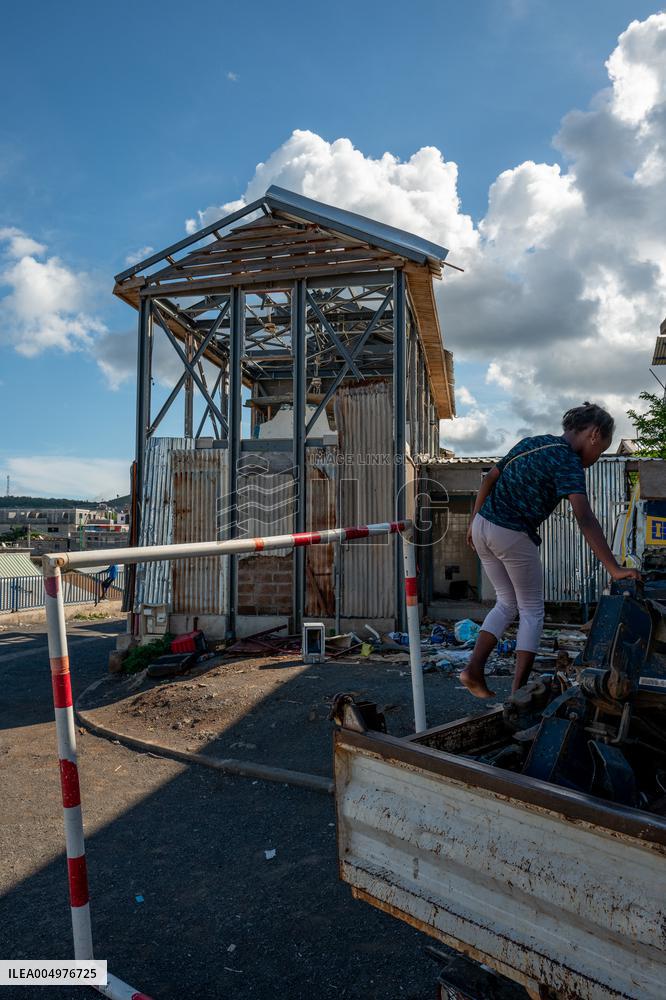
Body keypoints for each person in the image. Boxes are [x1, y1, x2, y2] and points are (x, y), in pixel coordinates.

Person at [460, 402, 640, 699]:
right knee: (532, 610)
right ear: (594, 434)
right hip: (512, 532)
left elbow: (489, 478)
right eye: (603, 448)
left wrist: (474, 520)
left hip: (483, 527)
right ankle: (517, 695)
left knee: (506, 603)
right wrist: (615, 569)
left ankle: (473, 669)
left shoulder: (532, 443)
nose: (597, 457)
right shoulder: (567, 461)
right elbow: (584, 517)